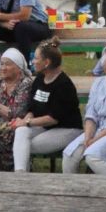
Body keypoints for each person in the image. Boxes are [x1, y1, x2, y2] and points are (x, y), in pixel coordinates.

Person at [12, 38, 82, 170]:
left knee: (26, 145)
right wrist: (24, 121)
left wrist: (26, 123)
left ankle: (22, 176)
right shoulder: (39, 79)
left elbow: (52, 119)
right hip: (43, 126)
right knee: (21, 133)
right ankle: (20, 176)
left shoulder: (64, 85)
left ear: (47, 62)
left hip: (67, 129)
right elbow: (32, 108)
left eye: (36, 58)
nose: (33, 61)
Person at [64, 44, 106, 174]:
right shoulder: (98, 83)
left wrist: (94, 140)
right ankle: (71, 190)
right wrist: (88, 137)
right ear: (103, 66)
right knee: (69, 155)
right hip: (95, 128)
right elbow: (91, 113)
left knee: (93, 157)